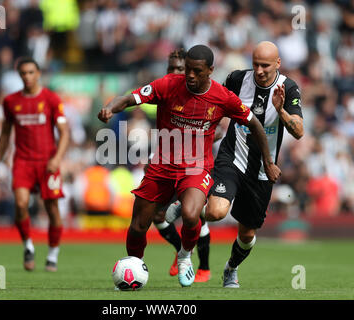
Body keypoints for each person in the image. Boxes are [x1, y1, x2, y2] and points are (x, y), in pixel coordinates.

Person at [98, 44, 281, 287]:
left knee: (191, 214)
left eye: (197, 71)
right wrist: (110, 108)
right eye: (188, 71)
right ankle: (133, 267)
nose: (191, 76)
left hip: (196, 167)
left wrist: (268, 162)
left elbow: (256, 125)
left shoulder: (223, 97)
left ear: (210, 71)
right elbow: (130, 98)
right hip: (162, 165)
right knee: (138, 225)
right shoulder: (167, 84)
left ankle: (184, 256)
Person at [167, 41, 304, 288]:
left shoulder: (289, 88)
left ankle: (231, 268)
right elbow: (214, 103)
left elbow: (299, 131)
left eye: (265, 66)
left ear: (278, 64)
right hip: (233, 157)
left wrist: (281, 111)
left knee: (247, 235)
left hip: (263, 169)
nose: (259, 70)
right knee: (215, 212)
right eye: (255, 64)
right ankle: (191, 200)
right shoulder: (238, 79)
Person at [0, 57, 70, 272]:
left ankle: (53, 253)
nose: (27, 77)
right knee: (20, 203)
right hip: (23, 161)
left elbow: (64, 132)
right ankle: (28, 245)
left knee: (52, 209)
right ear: (19, 75)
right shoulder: (11, 102)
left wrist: (57, 158)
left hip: (47, 162)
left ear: (38, 74)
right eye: (23, 73)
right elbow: (6, 133)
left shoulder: (51, 99)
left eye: (31, 72)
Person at [149, 49, 212, 282]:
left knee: (194, 217)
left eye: (179, 69)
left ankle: (204, 267)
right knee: (157, 215)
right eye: (171, 69)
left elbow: (213, 131)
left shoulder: (199, 94)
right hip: (166, 162)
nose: (176, 73)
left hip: (195, 166)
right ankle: (182, 250)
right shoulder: (165, 89)